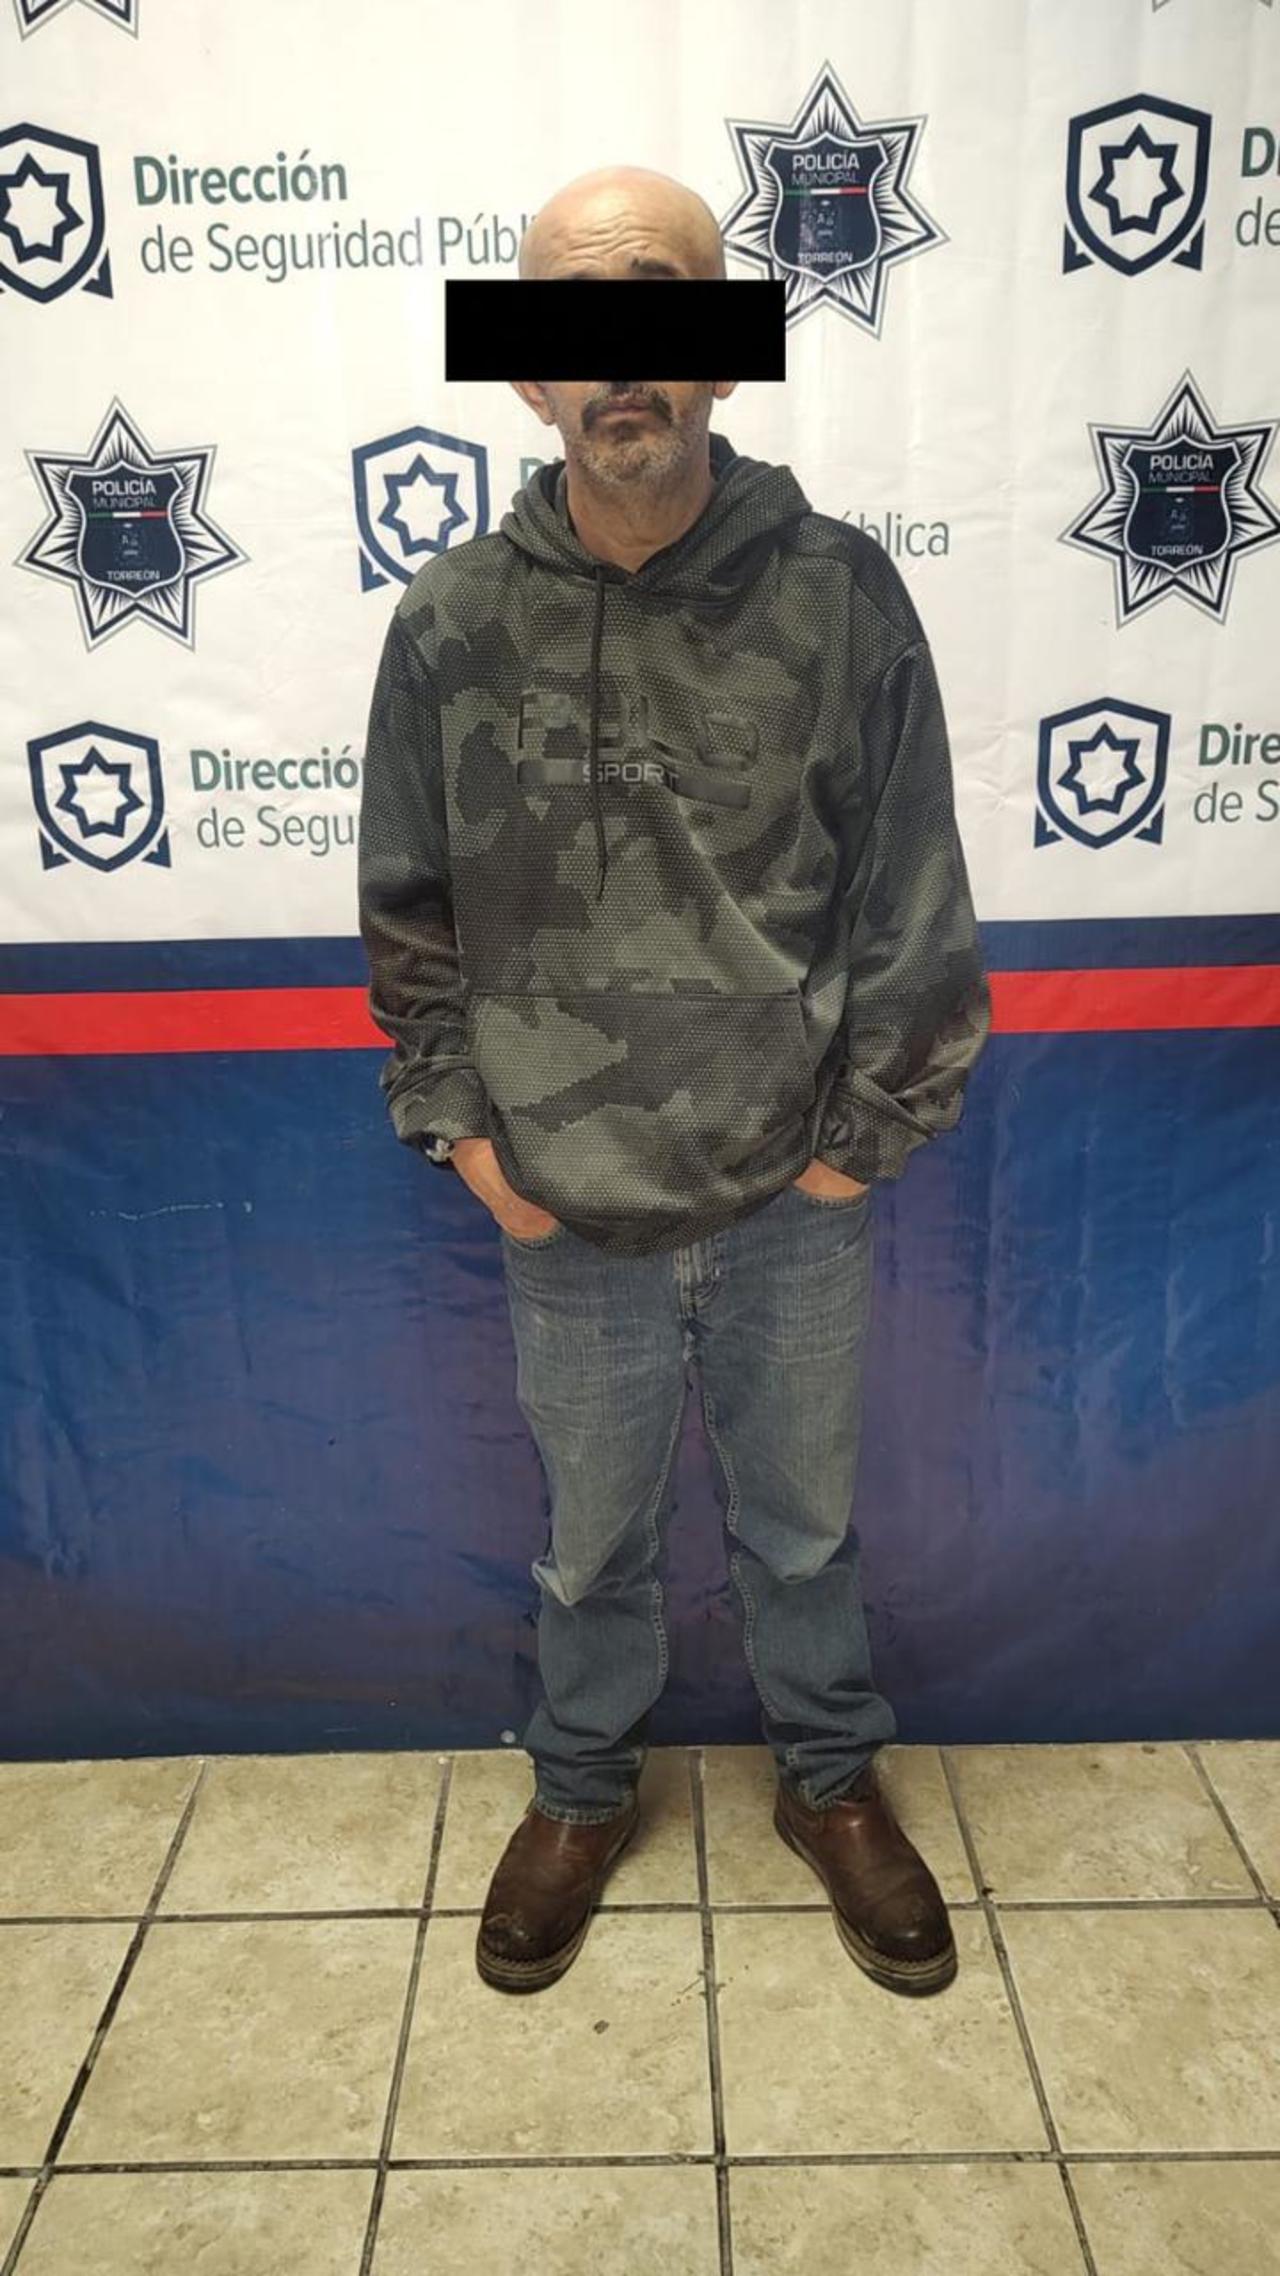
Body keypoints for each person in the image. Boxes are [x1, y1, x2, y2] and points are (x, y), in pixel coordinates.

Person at [357, 164, 991, 2000]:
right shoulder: (453, 621)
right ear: (528, 375)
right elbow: (409, 906)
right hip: (564, 1210)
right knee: (592, 1548)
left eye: (661, 307)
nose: (621, 360)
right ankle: (580, 1787)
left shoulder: (839, 596)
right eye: (578, 320)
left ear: (725, 353)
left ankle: (829, 1777)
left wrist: (857, 1150)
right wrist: (472, 1142)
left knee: (802, 1532)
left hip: (793, 1197)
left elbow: (912, 894)